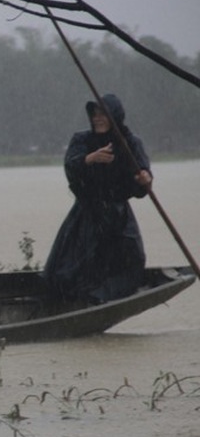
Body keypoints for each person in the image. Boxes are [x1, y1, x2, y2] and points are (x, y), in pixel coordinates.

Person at [43, 93, 153, 305]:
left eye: (103, 114)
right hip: (87, 214)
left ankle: (101, 297)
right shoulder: (82, 140)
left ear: (115, 116)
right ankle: (77, 303)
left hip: (118, 216)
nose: (98, 119)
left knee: (130, 264)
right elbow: (71, 168)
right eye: (95, 114)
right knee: (74, 267)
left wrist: (144, 179)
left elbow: (142, 180)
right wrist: (90, 159)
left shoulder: (130, 142)